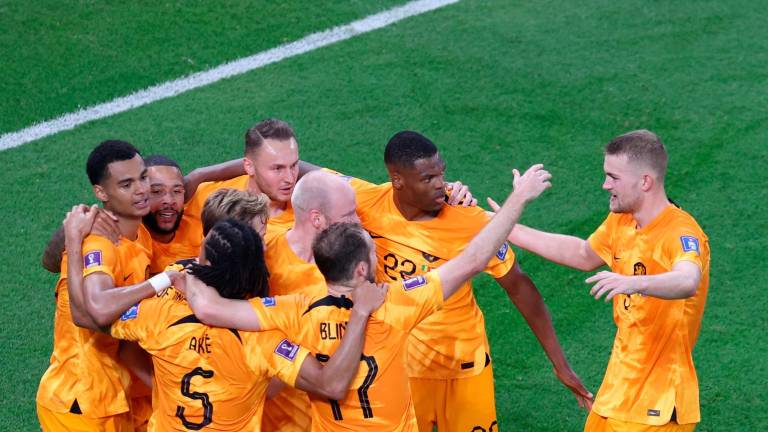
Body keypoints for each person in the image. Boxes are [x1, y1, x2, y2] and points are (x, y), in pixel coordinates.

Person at [182, 163, 552, 430]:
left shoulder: (296, 310)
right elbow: (473, 258)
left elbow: (209, 307)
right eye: (371, 249)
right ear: (361, 270)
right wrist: (517, 200)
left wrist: (180, 274)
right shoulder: (397, 303)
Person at [314, 131, 591, 431]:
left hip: (464, 368)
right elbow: (304, 172)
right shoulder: (368, 200)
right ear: (398, 180)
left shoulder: (469, 220)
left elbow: (520, 287)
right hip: (401, 368)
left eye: (441, 173)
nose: (440, 184)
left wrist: (560, 365)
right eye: (428, 178)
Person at [62, 208, 386, 431]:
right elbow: (331, 384)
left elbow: (86, 314)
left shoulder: (159, 313)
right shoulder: (262, 336)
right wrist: (359, 314)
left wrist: (75, 242)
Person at [500, 130, 710, 432]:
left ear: (645, 182)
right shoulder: (624, 220)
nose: (605, 185)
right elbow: (584, 253)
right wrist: (505, 226)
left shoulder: (680, 233)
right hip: (618, 393)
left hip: (658, 405)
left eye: (613, 177)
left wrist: (634, 283)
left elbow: (687, 280)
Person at [36, 140, 159, 432]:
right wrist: (163, 282)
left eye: (143, 177)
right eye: (126, 184)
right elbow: (94, 311)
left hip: (113, 394)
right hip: (80, 400)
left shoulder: (140, 233)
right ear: (101, 193)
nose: (142, 190)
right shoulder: (98, 245)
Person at [259, 170, 362, 431]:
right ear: (316, 219)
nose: (358, 222)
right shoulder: (263, 258)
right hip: (274, 418)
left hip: (338, 417)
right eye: (349, 215)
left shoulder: (356, 268)